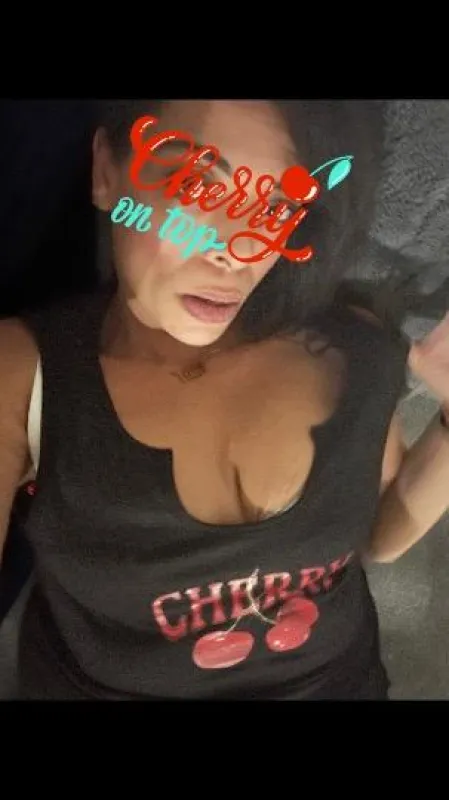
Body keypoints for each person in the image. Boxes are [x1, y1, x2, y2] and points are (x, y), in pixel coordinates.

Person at [1, 99, 449, 701]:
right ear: (106, 171)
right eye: (195, 186)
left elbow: (378, 541)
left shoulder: (352, 353)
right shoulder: (25, 373)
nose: (238, 249)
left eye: (276, 206)